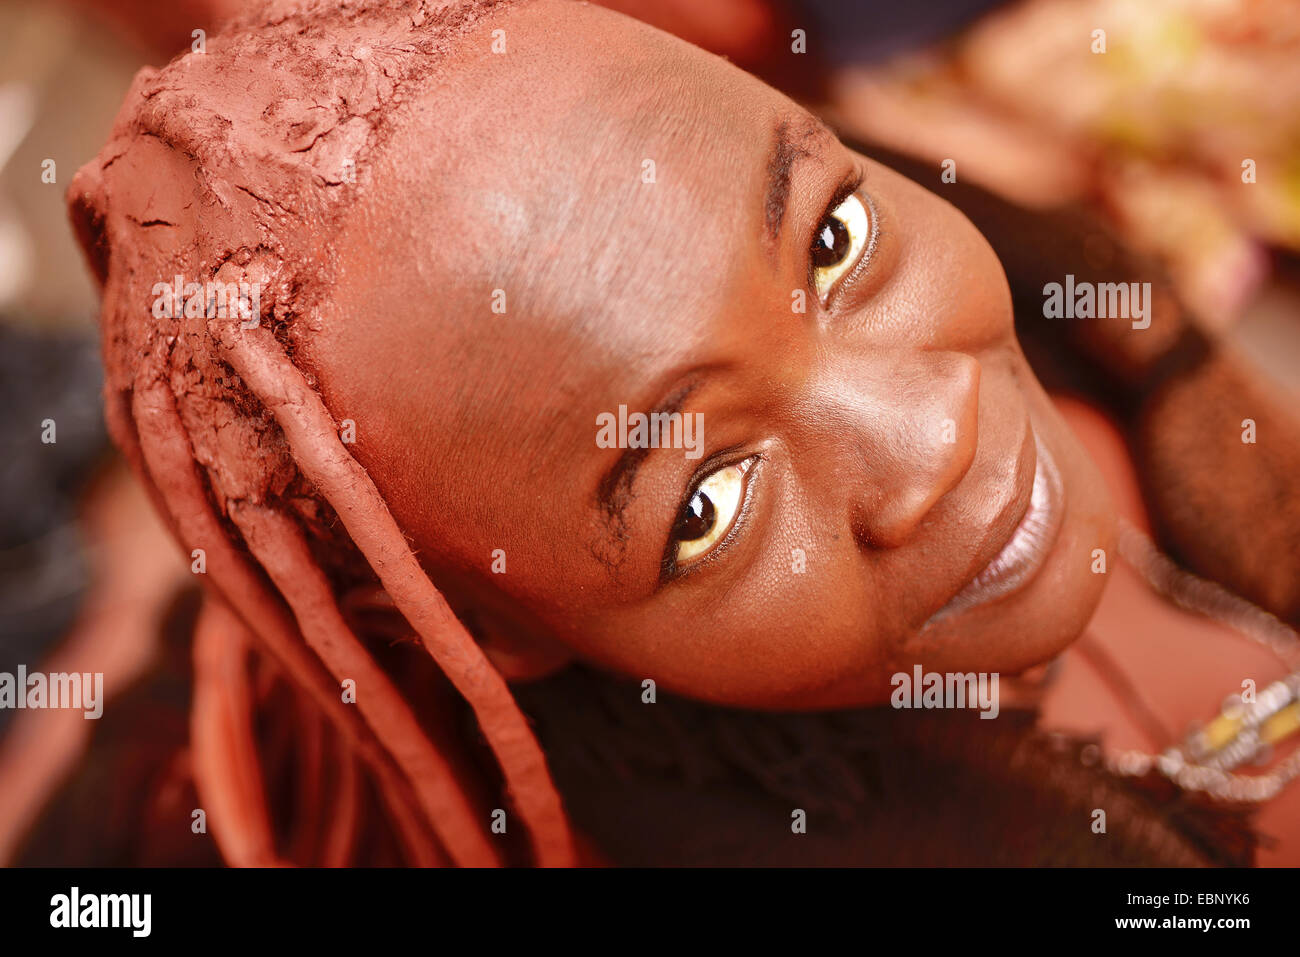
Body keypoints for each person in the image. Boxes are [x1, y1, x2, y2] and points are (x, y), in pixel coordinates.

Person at [39, 0, 1297, 866]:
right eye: (707, 504)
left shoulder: (1056, 286)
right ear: (503, 628)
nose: (935, 440)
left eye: (832, 243)